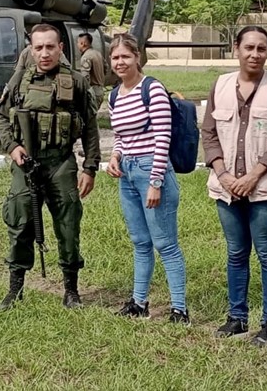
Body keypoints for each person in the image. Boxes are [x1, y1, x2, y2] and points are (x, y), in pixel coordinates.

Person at [200, 26, 267, 347]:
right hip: (226, 186)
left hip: (265, 187)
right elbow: (209, 133)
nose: (255, 54)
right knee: (236, 252)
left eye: (261, 49)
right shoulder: (220, 85)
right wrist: (223, 174)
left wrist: (252, 176)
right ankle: (237, 318)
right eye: (249, 48)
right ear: (236, 49)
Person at [0, 23, 101, 310]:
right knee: (20, 223)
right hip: (26, 163)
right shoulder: (19, 79)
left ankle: (71, 291)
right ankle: (14, 290)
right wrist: (12, 147)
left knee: (68, 226)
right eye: (38, 47)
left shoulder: (76, 82)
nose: (44, 53)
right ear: (31, 49)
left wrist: (90, 167)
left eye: (50, 47)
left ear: (60, 48)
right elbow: (1, 116)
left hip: (60, 163)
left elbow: (90, 126)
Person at [105, 33, 189, 324]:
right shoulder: (114, 95)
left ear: (137, 57)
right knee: (140, 241)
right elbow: (120, 136)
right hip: (127, 173)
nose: (120, 62)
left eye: (125, 56)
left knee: (165, 243)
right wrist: (115, 156)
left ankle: (179, 309)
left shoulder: (152, 89)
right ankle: (139, 303)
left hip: (152, 169)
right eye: (115, 57)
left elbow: (162, 137)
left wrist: (156, 182)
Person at [77, 32, 105, 105]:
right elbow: (106, 67)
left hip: (93, 92)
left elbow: (85, 77)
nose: (77, 45)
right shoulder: (98, 54)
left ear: (83, 43)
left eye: (78, 43)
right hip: (100, 90)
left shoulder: (86, 57)